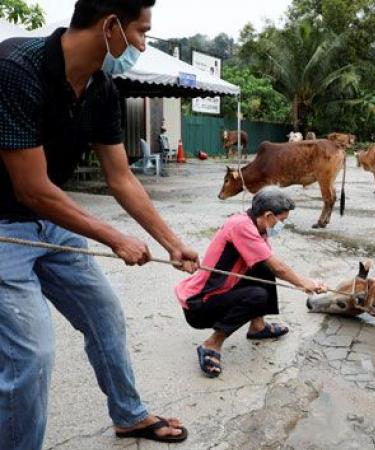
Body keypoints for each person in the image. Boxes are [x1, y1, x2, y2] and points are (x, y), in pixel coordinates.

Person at [0, 1, 198, 447]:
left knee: (105, 315)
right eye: (141, 33)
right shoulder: (17, 70)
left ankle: (129, 415)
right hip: (5, 224)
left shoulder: (102, 88)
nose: (142, 46)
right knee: (30, 356)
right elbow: (31, 188)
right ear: (110, 26)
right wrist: (114, 238)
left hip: (48, 220)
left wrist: (171, 243)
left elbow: (121, 177)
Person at [176, 187, 328, 378]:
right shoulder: (241, 226)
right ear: (268, 215)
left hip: (221, 291)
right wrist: (305, 283)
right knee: (257, 295)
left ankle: (258, 327)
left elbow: (271, 264)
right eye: (282, 221)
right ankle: (211, 344)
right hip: (199, 305)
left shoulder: (257, 226)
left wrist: (304, 281)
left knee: (263, 267)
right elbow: (279, 268)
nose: (282, 225)